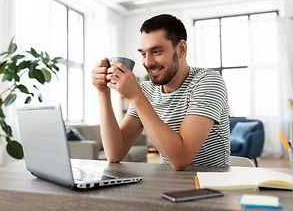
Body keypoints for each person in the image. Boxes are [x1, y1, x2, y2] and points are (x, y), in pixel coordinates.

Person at [91, 14, 230, 171]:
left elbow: (181, 159)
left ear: (181, 49)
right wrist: (103, 92)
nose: (148, 62)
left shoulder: (208, 82)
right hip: (169, 183)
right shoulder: (147, 91)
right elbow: (115, 153)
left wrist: (136, 97)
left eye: (156, 51)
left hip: (212, 184)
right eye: (143, 54)